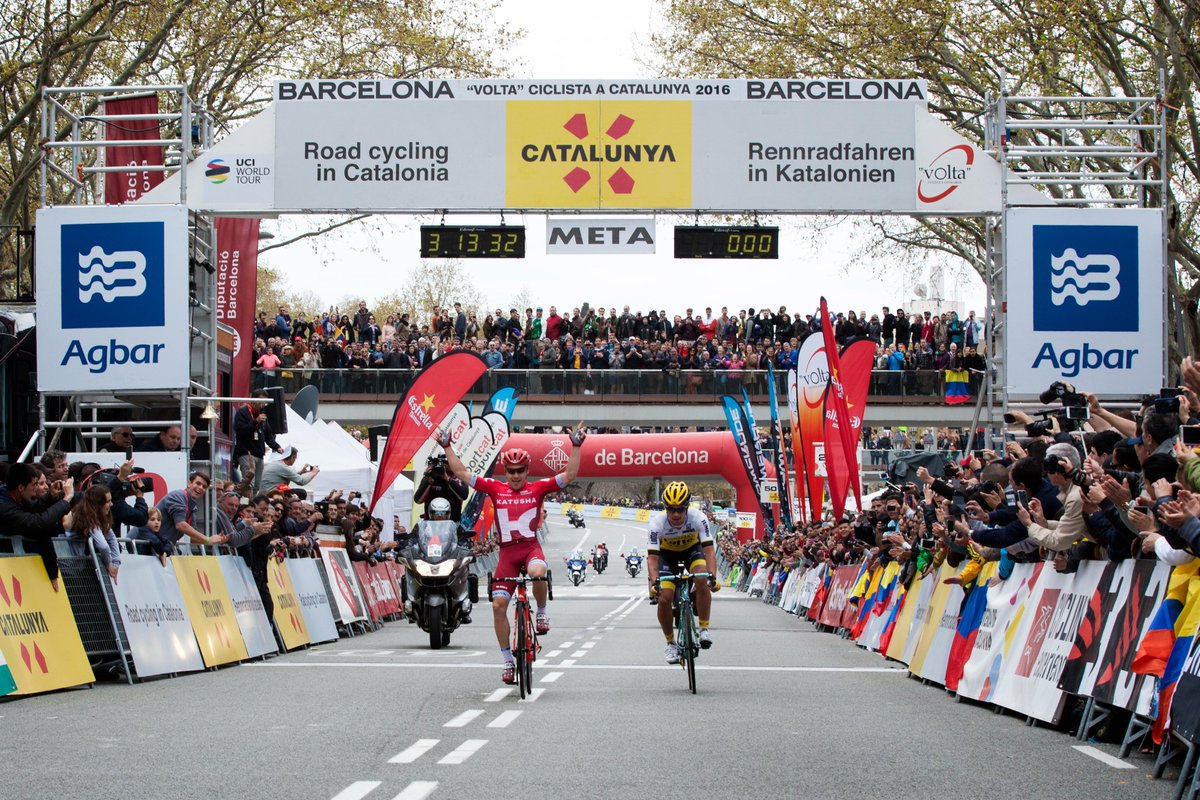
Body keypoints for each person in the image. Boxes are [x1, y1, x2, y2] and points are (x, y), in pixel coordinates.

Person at [437, 422, 586, 685]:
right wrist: (448, 446)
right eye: (511, 471)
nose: (515, 476)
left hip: (529, 549)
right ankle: (507, 660)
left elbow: (570, 475)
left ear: (527, 470)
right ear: (505, 471)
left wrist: (575, 446)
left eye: (520, 471)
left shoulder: (538, 488)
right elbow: (461, 472)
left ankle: (540, 611)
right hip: (506, 554)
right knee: (497, 606)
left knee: (538, 573)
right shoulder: (496, 488)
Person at [646, 480, 718, 664]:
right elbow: (652, 558)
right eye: (671, 509)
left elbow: (709, 550)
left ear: (687, 507)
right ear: (665, 508)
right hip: (666, 556)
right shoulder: (657, 524)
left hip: (692, 551)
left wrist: (712, 576)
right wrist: (655, 582)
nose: (676, 514)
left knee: (702, 579)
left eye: (680, 509)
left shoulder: (698, 517)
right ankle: (670, 643)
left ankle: (703, 629)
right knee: (664, 597)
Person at [0, 463, 74, 591]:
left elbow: (34, 508)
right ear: (21, 488)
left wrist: (51, 496)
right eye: (34, 484)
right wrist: (66, 499)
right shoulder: (4, 507)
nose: (36, 489)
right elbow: (38, 523)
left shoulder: (13, 497)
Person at [136, 471, 226, 564]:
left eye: (204, 487)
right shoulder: (178, 496)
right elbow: (180, 525)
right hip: (141, 547)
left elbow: (192, 538)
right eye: (198, 483)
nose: (200, 488)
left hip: (155, 550)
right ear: (189, 483)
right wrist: (207, 540)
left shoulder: (192, 507)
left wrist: (214, 539)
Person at [66, 485, 122, 582]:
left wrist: (116, 564)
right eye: (108, 501)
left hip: (76, 567)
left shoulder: (99, 518)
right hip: (68, 568)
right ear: (98, 504)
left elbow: (112, 538)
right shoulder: (86, 519)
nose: (111, 504)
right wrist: (109, 564)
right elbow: (103, 546)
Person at [233, 394, 283, 497]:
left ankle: (253, 506)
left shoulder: (263, 415)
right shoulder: (243, 412)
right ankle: (245, 506)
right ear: (253, 400)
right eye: (260, 402)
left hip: (259, 454)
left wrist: (277, 447)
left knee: (257, 485)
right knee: (249, 484)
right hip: (247, 453)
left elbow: (268, 435)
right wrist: (255, 421)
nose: (262, 405)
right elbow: (240, 430)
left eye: (264, 402)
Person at [414, 453, 469, 520]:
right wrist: (428, 480)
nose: (454, 464)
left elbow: (463, 496)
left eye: (456, 461)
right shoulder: (431, 476)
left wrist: (448, 479)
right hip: (431, 524)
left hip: (453, 524)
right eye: (450, 461)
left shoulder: (460, 477)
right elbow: (418, 500)